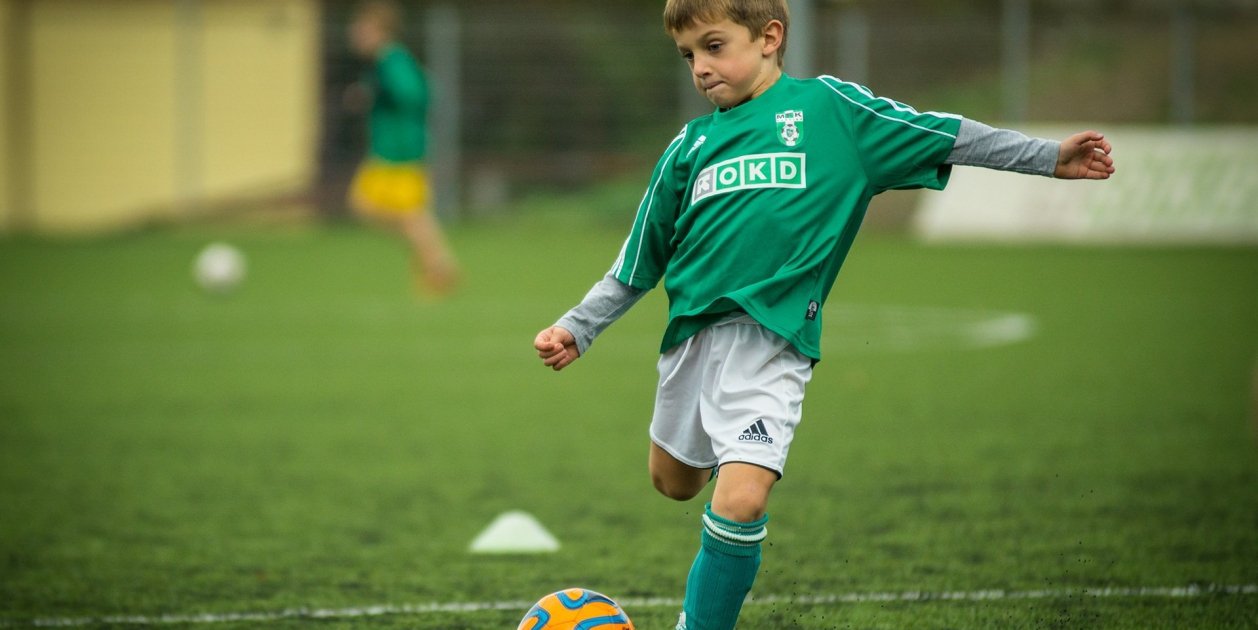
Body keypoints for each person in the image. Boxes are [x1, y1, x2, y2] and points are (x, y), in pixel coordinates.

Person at [532, 1, 1115, 628]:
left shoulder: (831, 112)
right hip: (691, 346)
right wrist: (578, 326)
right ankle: (720, 454)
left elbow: (942, 132)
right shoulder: (689, 146)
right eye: (688, 55)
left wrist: (1047, 157)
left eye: (714, 46)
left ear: (769, 37)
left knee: (742, 499)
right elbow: (637, 261)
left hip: (772, 344)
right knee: (672, 481)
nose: (700, 67)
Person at [346, 0, 459, 296]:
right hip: (388, 150)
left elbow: (417, 93)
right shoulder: (383, 63)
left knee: (405, 214)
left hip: (400, 151)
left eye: (363, 28)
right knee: (372, 208)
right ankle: (435, 261)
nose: (356, 33)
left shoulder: (392, 60)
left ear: (380, 31)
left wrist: (378, 93)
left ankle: (438, 265)